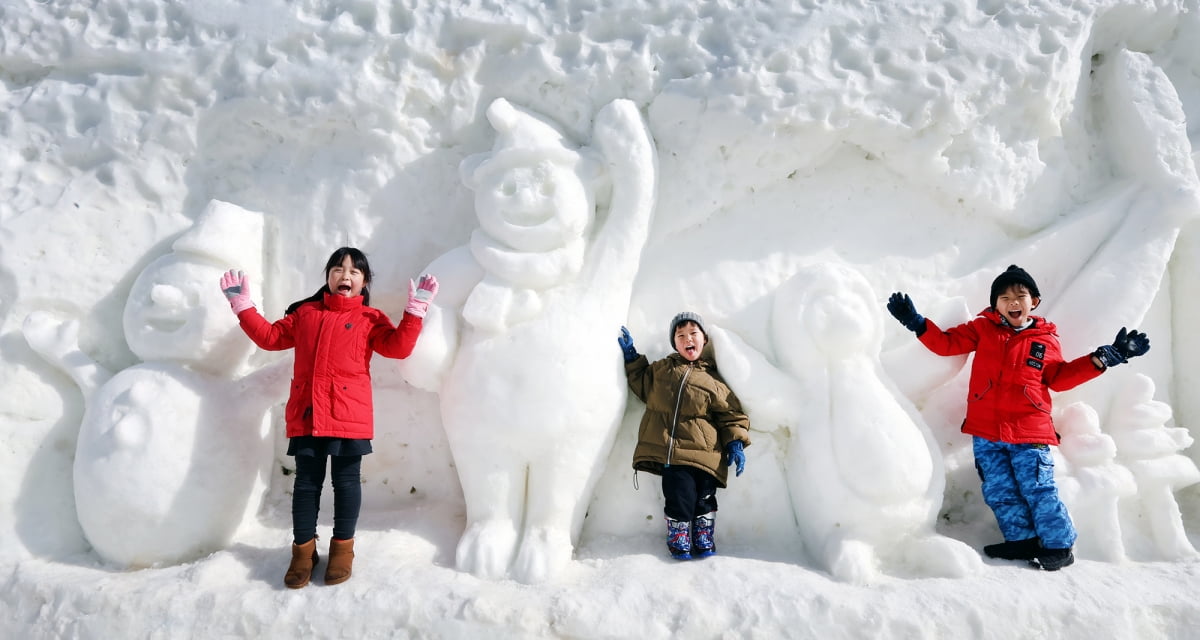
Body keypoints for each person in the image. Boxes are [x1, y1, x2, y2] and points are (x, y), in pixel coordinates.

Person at [886, 264, 1150, 571]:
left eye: (1020, 295)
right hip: (986, 431)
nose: (1013, 302)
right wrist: (917, 323)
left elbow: (1060, 378)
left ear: (1034, 301)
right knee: (999, 490)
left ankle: (1060, 545)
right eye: (1004, 297)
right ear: (995, 305)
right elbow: (947, 344)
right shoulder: (982, 329)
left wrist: (1102, 358)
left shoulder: (1044, 339)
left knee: (1038, 489)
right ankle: (1021, 540)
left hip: (1030, 432)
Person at [219, 247, 438, 588]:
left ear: (364, 282)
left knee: (347, 484)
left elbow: (398, 347)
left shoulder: (370, 319)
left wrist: (415, 311)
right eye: (338, 269)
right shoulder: (305, 314)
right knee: (306, 485)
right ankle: (303, 553)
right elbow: (271, 337)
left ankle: (342, 551)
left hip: (349, 414)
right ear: (328, 277)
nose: (345, 275)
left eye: (353, 271)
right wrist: (242, 306)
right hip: (308, 413)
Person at [618, 312, 751, 560]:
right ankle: (679, 532)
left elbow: (731, 414)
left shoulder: (714, 381)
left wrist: (735, 442)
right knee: (679, 493)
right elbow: (642, 383)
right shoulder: (662, 371)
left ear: (705, 340)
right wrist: (632, 358)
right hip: (673, 452)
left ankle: (703, 532)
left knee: (705, 496)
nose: (687, 339)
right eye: (680, 335)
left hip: (708, 453)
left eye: (693, 334)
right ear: (674, 343)